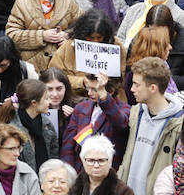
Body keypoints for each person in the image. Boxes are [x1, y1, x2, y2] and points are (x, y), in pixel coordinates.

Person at [118, 57, 184, 195]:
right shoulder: (136, 113)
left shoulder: (178, 123)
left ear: (153, 88)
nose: (132, 89)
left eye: (136, 84)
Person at [6, 0, 81, 73]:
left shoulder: (68, 1)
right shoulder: (22, 3)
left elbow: (82, 27)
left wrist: (67, 36)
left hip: (61, 67)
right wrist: (41, 36)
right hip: (32, 69)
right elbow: (11, 35)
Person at [60, 72, 130, 172]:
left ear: (110, 91)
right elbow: (68, 146)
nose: (89, 93)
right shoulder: (81, 108)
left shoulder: (124, 110)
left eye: (95, 89)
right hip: (80, 173)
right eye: (88, 88)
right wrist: (69, 173)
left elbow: (120, 123)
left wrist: (104, 98)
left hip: (106, 173)